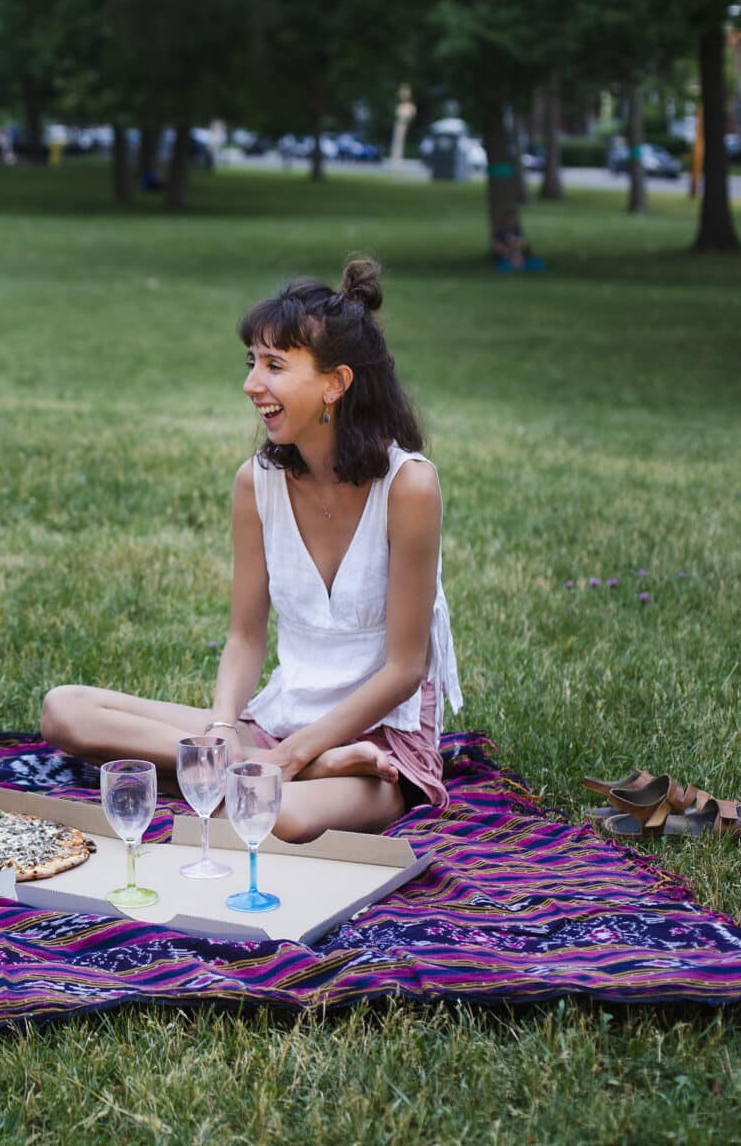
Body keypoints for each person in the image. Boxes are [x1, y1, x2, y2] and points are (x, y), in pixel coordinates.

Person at [40, 258, 462, 841]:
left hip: (380, 740)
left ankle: (278, 773)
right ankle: (295, 769)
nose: (251, 384)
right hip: (279, 724)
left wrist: (288, 759)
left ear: (335, 384)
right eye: (251, 363)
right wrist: (220, 728)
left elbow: (404, 670)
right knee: (64, 709)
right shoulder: (256, 482)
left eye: (274, 366)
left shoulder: (409, 486)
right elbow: (245, 636)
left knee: (275, 815)